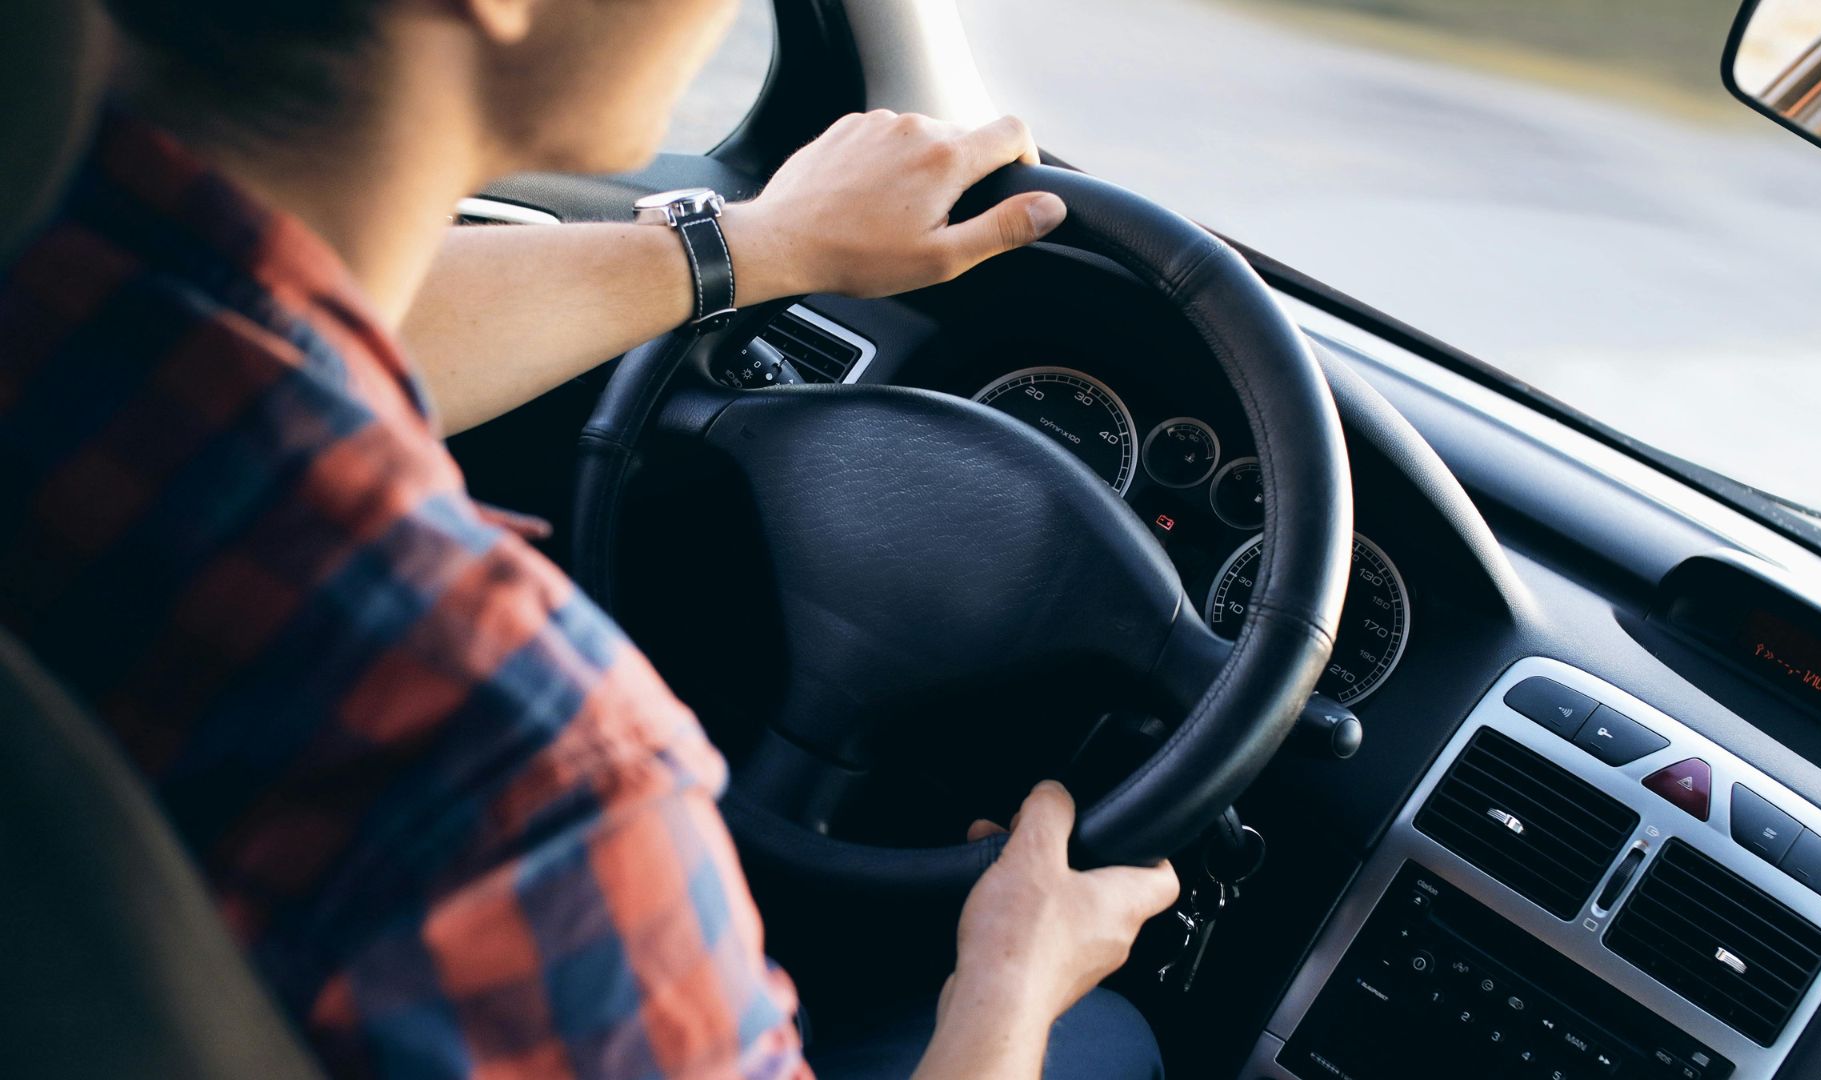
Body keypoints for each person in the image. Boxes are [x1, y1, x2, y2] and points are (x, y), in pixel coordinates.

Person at [0, 0, 1181, 1077]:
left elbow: (301, 333)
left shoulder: (56, 273)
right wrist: (1011, 984)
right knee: (1100, 1041)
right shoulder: (521, 774)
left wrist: (757, 245)